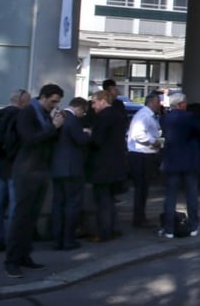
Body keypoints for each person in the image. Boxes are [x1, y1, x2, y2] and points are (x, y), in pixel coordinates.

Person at [4, 83, 65, 279]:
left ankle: (24, 256)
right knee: (21, 217)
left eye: (57, 102)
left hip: (40, 170)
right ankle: (11, 261)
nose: (54, 105)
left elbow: (49, 140)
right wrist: (53, 127)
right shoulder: (27, 113)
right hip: (26, 171)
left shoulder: (45, 114)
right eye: (53, 101)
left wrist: (56, 127)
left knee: (31, 217)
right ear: (44, 97)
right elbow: (29, 139)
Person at [0, 89, 30, 254]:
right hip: (13, 166)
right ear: (22, 102)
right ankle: (13, 245)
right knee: (16, 206)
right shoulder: (19, 117)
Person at [160, 92, 200, 239]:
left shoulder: (165, 119)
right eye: (185, 102)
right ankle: (193, 226)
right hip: (190, 159)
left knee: (170, 196)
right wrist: (198, 145)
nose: (187, 104)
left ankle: (168, 229)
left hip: (172, 160)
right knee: (191, 195)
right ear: (181, 104)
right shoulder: (190, 117)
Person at [86, 90, 129, 242]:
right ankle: (114, 228)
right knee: (109, 199)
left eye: (94, 102)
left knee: (102, 200)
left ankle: (104, 232)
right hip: (116, 164)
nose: (92, 106)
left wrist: (89, 135)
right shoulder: (118, 115)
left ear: (102, 101)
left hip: (102, 165)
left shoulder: (103, 117)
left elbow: (97, 141)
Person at [49, 97, 90, 251]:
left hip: (57, 168)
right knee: (72, 204)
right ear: (79, 108)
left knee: (58, 204)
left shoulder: (58, 117)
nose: (83, 115)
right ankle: (68, 239)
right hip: (72, 168)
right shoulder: (73, 120)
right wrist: (87, 133)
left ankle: (56, 238)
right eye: (83, 112)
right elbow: (80, 140)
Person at [127, 91, 163, 228]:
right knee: (141, 188)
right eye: (158, 102)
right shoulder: (144, 115)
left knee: (143, 188)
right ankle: (138, 217)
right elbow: (138, 135)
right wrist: (153, 142)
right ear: (151, 102)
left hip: (144, 153)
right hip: (141, 154)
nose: (159, 105)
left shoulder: (149, 115)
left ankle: (140, 216)